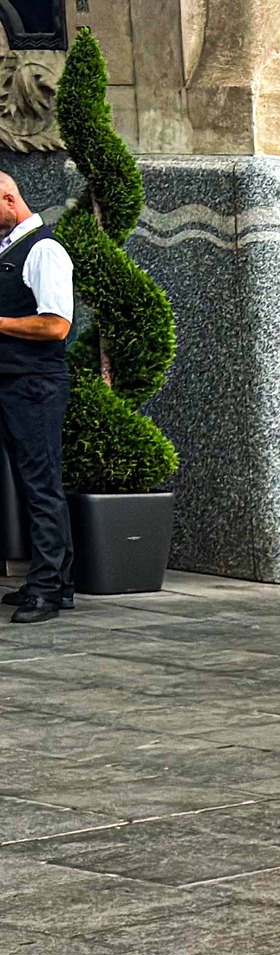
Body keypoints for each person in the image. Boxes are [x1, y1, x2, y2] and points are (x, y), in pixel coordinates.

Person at [0, 172, 72, 623]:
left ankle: (47, 588)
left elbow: (56, 325)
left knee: (42, 483)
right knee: (31, 483)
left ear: (8, 199)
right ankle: (54, 581)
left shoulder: (45, 250)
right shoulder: (8, 249)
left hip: (35, 385)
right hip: (12, 382)